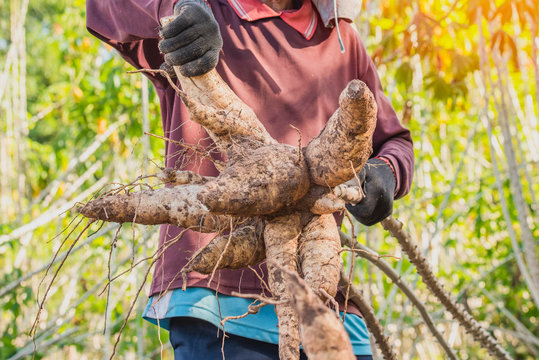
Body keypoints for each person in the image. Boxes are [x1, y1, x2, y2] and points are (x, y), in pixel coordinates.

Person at [86, 0, 414, 358]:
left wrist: (387, 173)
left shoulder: (341, 39)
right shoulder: (201, 12)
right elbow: (103, 8)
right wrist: (180, 7)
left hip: (326, 302)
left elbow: (392, 141)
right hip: (215, 305)